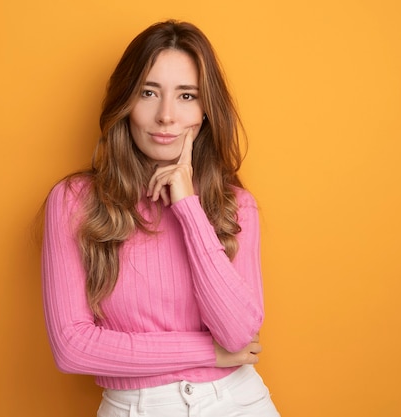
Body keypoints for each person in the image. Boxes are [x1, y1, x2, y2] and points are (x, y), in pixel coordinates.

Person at [41, 20, 280, 417]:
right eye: (148, 92)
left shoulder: (235, 204)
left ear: (205, 112)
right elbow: (72, 348)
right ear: (126, 103)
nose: (166, 115)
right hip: (136, 408)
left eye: (186, 96)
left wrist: (188, 208)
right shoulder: (74, 202)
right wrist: (209, 351)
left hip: (237, 403)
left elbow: (239, 333)